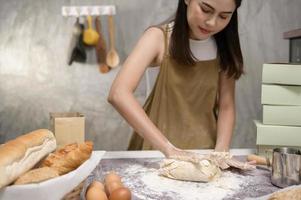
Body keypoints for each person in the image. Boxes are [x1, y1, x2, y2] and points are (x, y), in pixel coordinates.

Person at [108, 0, 248, 162]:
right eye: (205, 9)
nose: (212, 22)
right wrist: (169, 149)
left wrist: (221, 153)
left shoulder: (223, 47)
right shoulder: (158, 38)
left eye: (223, 16)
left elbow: (226, 106)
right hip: (157, 153)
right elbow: (118, 94)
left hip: (203, 156)